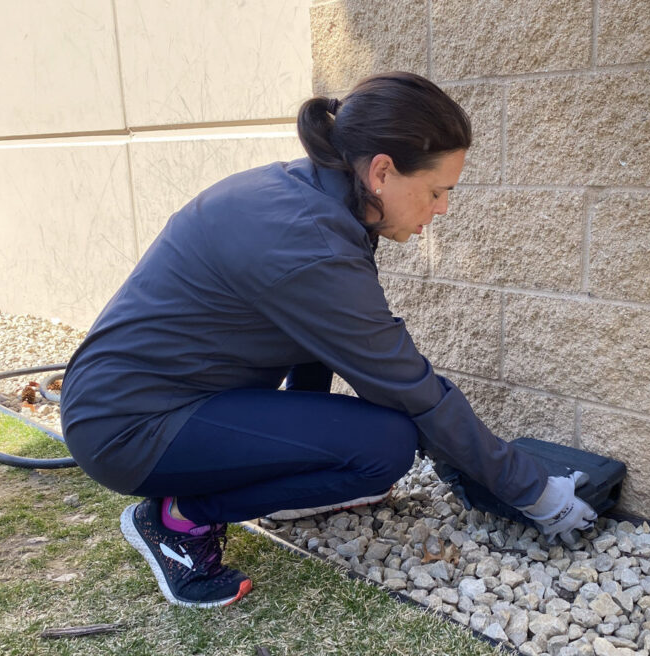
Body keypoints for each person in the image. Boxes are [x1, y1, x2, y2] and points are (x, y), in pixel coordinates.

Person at [60, 72, 597, 609]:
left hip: (154, 398)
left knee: (378, 434)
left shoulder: (313, 198)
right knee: (383, 448)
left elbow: (318, 339)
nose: (442, 210)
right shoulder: (309, 241)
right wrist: (535, 492)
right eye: (437, 191)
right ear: (383, 171)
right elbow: (407, 384)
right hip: (129, 426)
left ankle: (231, 493)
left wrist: (304, 455)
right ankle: (176, 520)